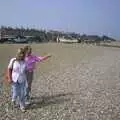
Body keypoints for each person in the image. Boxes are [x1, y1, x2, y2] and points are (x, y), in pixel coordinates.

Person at [8, 48, 27, 112]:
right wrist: (10, 78)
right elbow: (9, 69)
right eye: (20, 53)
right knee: (15, 92)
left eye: (23, 53)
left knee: (22, 93)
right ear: (18, 53)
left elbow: (26, 70)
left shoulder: (24, 61)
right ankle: (13, 99)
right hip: (14, 79)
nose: (21, 55)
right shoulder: (13, 60)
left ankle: (22, 105)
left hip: (22, 79)